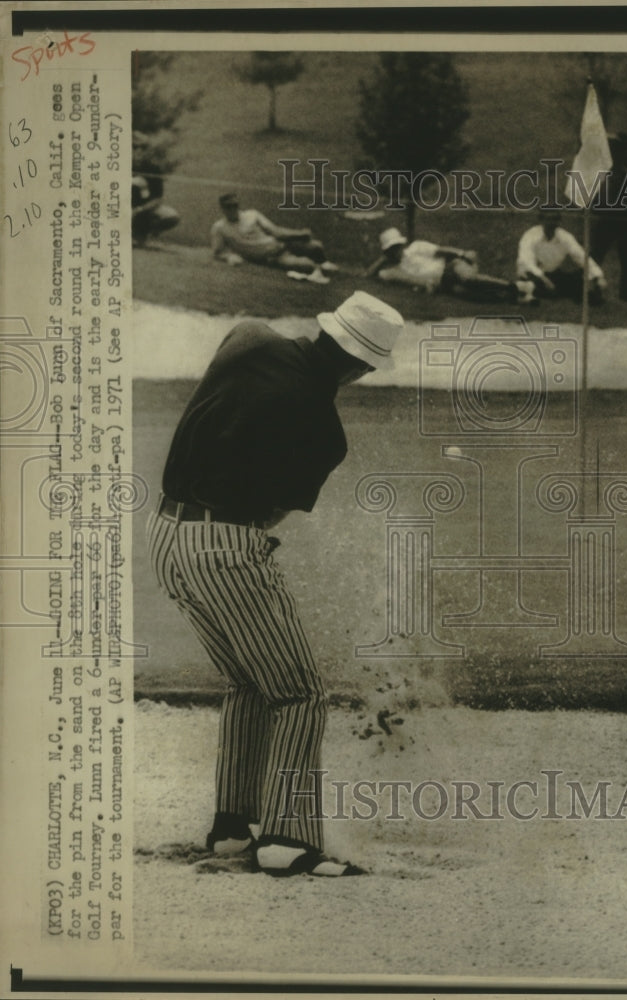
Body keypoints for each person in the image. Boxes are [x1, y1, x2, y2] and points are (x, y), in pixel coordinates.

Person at [146, 291, 404, 877]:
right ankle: (286, 838)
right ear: (361, 367)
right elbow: (270, 514)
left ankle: (232, 830)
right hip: (225, 549)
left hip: (163, 534)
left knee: (248, 681)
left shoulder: (248, 334)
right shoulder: (325, 429)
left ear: (327, 328)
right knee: (298, 693)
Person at [367, 228, 535, 303]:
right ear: (386, 252)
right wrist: (382, 259)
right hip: (442, 283)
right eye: (390, 249)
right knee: (467, 294)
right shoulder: (394, 270)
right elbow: (369, 275)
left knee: (468, 279)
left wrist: (462, 254)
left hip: (450, 267)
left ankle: (516, 286)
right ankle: (515, 298)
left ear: (402, 245)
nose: (395, 251)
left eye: (396, 246)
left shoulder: (416, 247)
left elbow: (441, 250)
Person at [210, 192, 337, 284]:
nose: (232, 209)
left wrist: (299, 234)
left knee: (316, 246)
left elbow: (275, 231)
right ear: (222, 209)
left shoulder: (252, 214)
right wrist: (230, 257)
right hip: (273, 256)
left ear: (238, 205)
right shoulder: (219, 227)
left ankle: (323, 263)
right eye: (228, 207)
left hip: (282, 244)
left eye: (234, 205)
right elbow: (218, 252)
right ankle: (317, 269)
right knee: (306, 265)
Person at [591, 132, 627, 302]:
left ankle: (626, 297)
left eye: (616, 147)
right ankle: (592, 290)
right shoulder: (609, 165)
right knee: (595, 257)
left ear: (625, 150)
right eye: (612, 147)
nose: (612, 150)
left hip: (626, 219)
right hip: (607, 216)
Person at [516, 210, 607, 303]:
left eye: (555, 219)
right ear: (541, 220)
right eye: (548, 219)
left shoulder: (564, 236)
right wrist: (544, 279)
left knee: (576, 279)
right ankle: (531, 290)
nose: (551, 223)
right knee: (542, 288)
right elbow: (527, 262)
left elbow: (580, 256)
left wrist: (598, 276)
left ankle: (579, 295)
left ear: (559, 221)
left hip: (552, 275)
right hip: (532, 275)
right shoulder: (530, 235)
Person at [131, 131, 180, 247]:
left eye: (143, 147)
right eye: (134, 146)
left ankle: (143, 235)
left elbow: (158, 198)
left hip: (142, 209)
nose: (138, 150)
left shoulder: (153, 169)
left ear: (148, 150)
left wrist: (139, 210)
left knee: (171, 216)